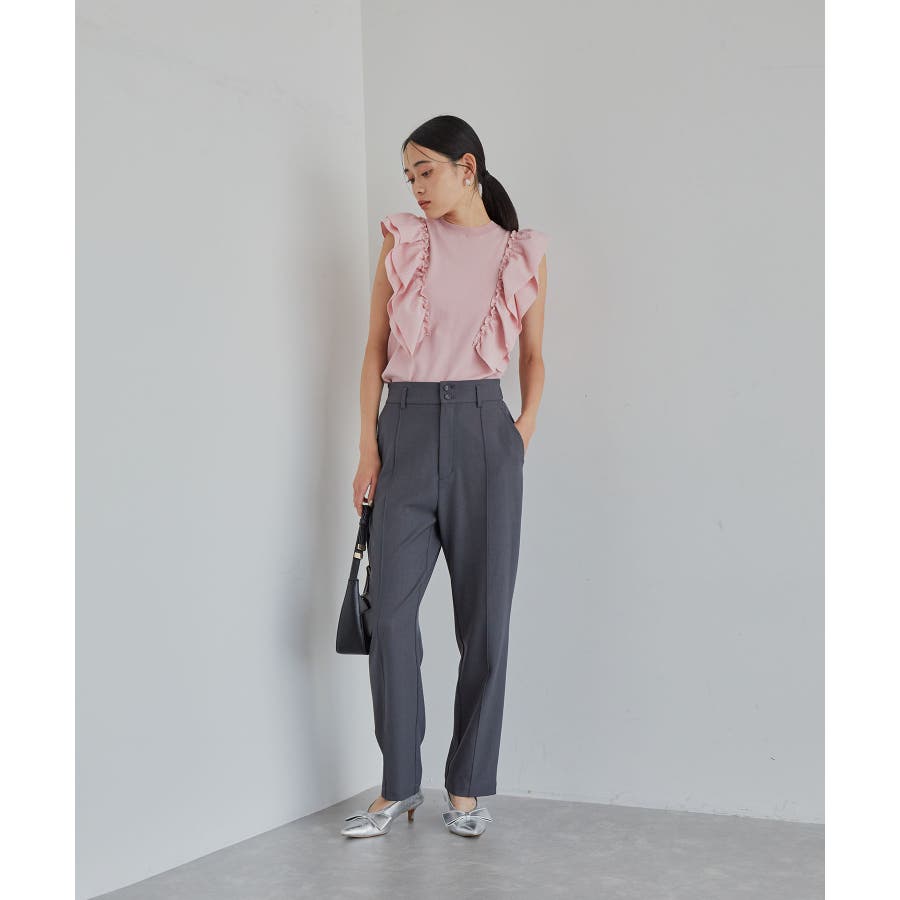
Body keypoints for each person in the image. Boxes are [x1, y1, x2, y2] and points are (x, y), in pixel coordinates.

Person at [341, 115, 549, 839]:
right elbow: (374, 350)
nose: (416, 187)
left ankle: (466, 788)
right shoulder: (404, 241)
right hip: (404, 428)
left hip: (486, 431)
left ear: (468, 167)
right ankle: (399, 785)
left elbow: (534, 354)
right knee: (390, 616)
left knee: (485, 621)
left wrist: (520, 430)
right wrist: (368, 449)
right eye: (409, 176)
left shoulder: (520, 252)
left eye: (425, 170)